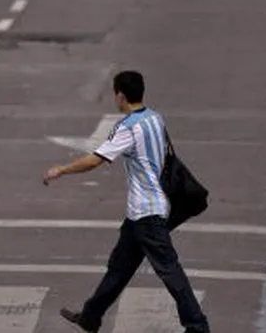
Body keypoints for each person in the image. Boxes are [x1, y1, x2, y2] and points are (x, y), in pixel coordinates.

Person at [43, 70, 210, 333]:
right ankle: (90, 318)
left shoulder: (128, 128)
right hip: (144, 212)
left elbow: (95, 159)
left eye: (114, 93)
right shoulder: (155, 118)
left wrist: (61, 170)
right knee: (119, 268)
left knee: (169, 270)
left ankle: (197, 326)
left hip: (147, 213)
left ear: (120, 95)